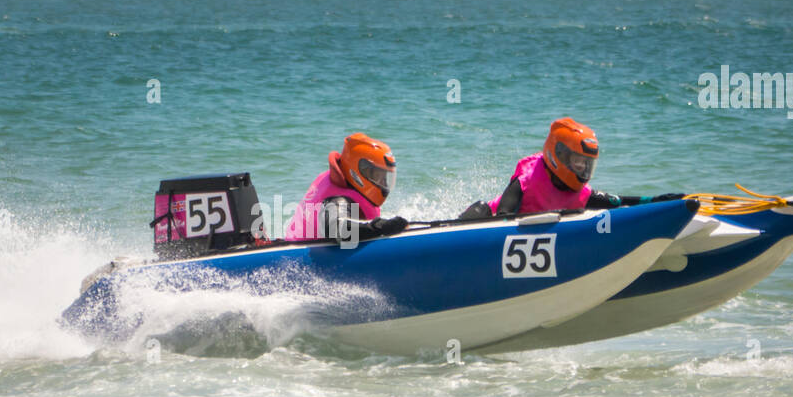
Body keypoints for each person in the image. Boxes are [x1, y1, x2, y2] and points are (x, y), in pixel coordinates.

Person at [461, 117, 684, 218]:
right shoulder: (527, 181)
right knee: (481, 208)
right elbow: (502, 217)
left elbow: (620, 202)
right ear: (558, 155)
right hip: (486, 230)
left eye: (587, 164)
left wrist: (658, 202)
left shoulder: (583, 194)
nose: (582, 169)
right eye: (578, 162)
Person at [284, 132, 408, 242]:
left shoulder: (341, 181)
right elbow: (336, 228)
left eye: (385, 177)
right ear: (357, 171)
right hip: (305, 257)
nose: (383, 182)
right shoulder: (338, 199)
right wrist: (379, 227)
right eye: (377, 176)